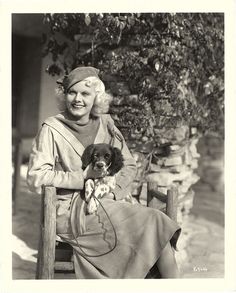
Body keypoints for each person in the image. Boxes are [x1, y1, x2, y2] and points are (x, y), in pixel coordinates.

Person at [27, 66, 181, 279]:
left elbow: (128, 165)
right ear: (64, 95)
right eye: (72, 92)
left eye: (85, 93)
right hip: (72, 210)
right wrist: (82, 177)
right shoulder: (52, 128)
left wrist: (114, 191)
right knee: (155, 223)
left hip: (110, 200)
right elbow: (37, 177)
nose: (77, 99)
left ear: (96, 97)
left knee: (158, 229)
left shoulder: (107, 124)